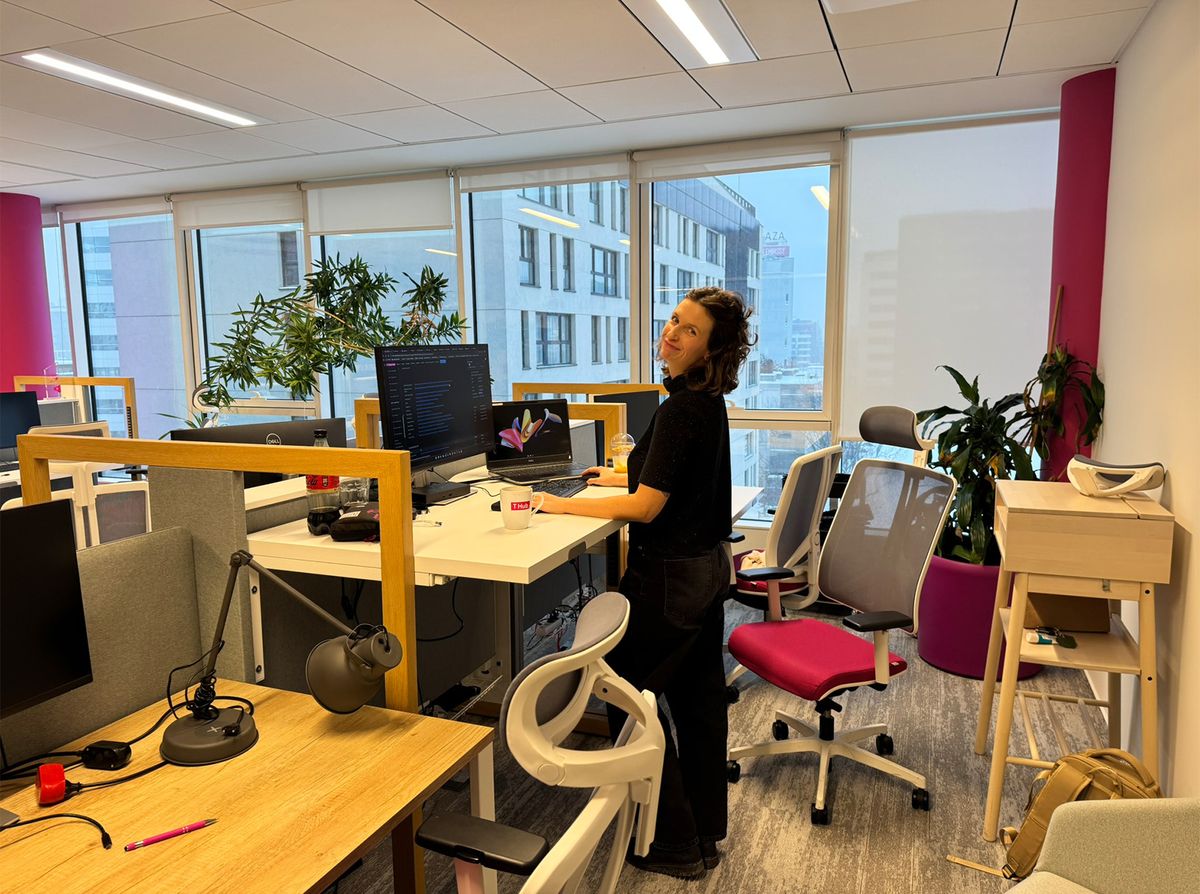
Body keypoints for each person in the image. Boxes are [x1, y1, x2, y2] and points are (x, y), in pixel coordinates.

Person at [538, 286, 753, 879]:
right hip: (706, 573)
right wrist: (611, 476)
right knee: (698, 704)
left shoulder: (683, 409)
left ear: (709, 351)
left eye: (688, 330)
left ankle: (672, 840)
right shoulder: (703, 402)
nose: (672, 334)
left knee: (621, 689)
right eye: (673, 321)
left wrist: (559, 508)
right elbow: (672, 482)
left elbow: (649, 507)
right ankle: (705, 830)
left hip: (669, 580)